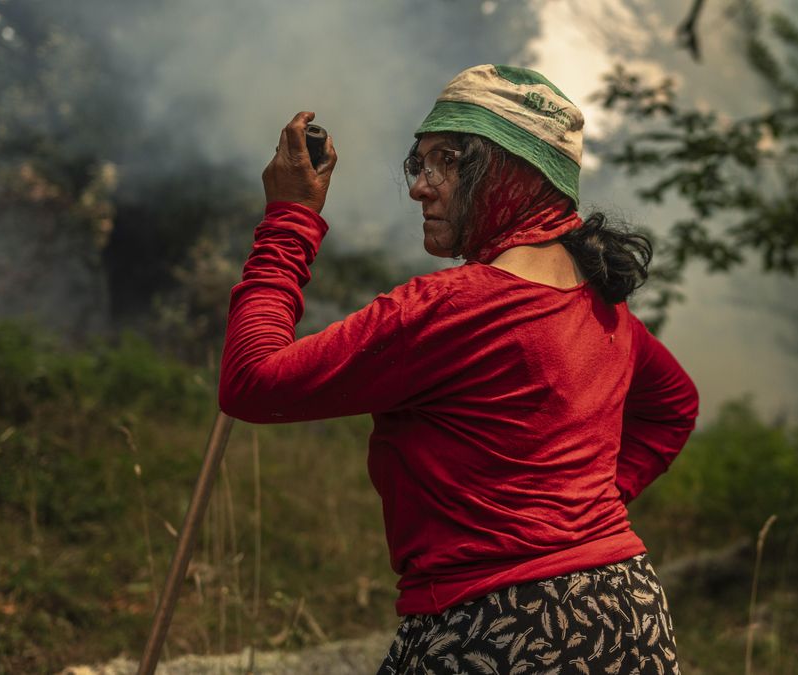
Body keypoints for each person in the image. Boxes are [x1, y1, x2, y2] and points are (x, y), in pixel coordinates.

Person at [219, 64, 699, 674]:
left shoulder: (450, 309)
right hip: (626, 612)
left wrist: (290, 218)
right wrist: (579, 520)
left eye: (447, 163)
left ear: (511, 174)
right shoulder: (598, 302)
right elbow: (674, 406)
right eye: (420, 164)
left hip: (502, 624)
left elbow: (253, 382)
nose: (421, 188)